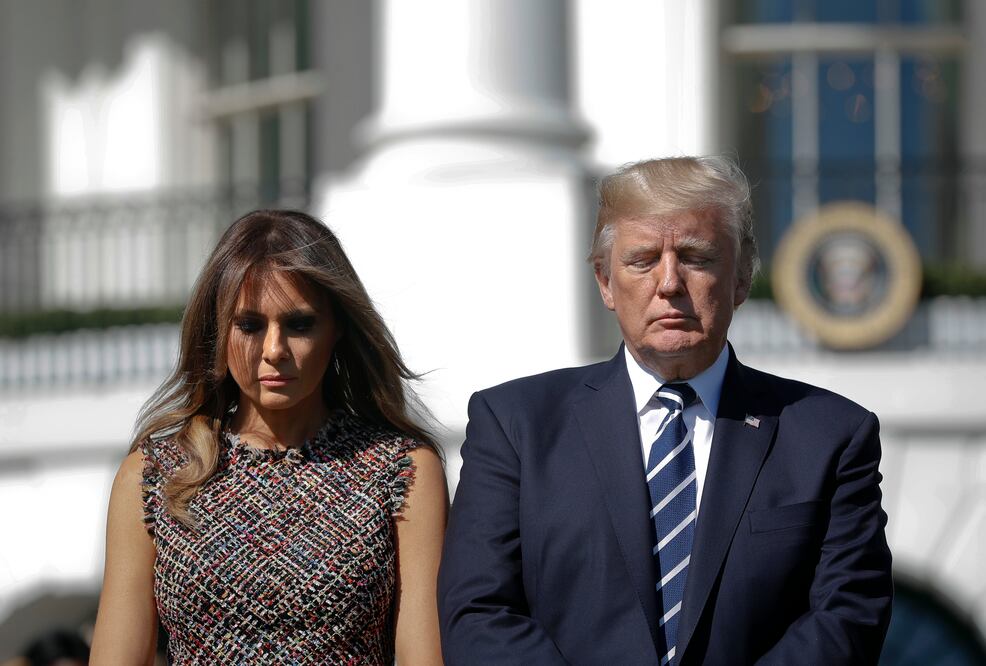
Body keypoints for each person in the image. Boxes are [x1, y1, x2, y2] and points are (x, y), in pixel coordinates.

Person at [438, 156, 893, 665]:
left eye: (697, 258)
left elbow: (848, 615)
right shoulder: (515, 425)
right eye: (643, 260)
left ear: (741, 278)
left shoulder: (830, 435)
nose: (670, 283)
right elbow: (478, 613)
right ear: (605, 282)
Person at [90, 210, 447, 664]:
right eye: (249, 325)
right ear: (217, 331)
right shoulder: (152, 474)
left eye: (299, 324)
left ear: (336, 329)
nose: (274, 350)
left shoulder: (402, 470)